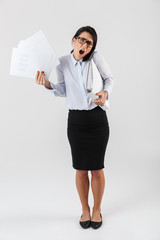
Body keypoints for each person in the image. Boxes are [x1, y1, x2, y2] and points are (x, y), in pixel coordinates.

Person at [35, 26, 114, 229]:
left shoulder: (96, 58)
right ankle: (85, 210)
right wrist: (47, 84)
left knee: (97, 168)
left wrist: (105, 93)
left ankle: (97, 209)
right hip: (76, 122)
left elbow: (109, 79)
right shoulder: (62, 63)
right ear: (73, 40)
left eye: (89, 43)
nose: (84, 45)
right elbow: (63, 90)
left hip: (97, 120)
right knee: (80, 169)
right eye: (81, 40)